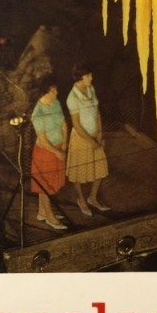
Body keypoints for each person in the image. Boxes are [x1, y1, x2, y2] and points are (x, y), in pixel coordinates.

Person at [66, 63, 110, 216]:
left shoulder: (90, 89)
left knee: (100, 170)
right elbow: (76, 125)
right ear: (80, 78)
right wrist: (91, 142)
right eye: (88, 76)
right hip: (81, 139)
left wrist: (99, 133)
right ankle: (81, 200)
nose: (91, 78)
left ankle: (92, 198)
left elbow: (97, 113)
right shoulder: (72, 97)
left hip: (94, 136)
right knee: (79, 172)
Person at [30, 73, 68, 230]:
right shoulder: (37, 114)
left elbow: (64, 123)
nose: (57, 93)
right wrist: (57, 152)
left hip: (59, 148)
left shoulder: (56, 103)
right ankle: (50, 218)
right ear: (48, 90)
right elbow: (43, 140)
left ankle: (42, 212)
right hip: (45, 153)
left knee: (51, 184)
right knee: (45, 187)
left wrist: (65, 142)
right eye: (55, 90)